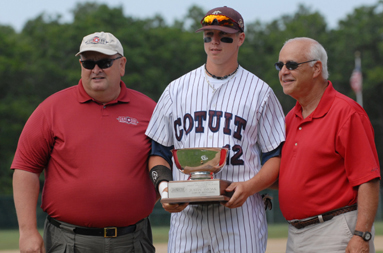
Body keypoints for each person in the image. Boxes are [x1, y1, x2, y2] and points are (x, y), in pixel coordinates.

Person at [145, 6, 285, 253]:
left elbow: (276, 157)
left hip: (240, 217)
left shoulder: (260, 92)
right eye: (209, 35)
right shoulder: (175, 90)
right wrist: (165, 189)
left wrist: (250, 187)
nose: (215, 42)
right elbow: (159, 151)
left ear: (241, 38)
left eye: (224, 36)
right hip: (187, 219)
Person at [11, 31, 157, 253]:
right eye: (88, 63)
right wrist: (28, 232)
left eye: (105, 62)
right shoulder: (51, 109)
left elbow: (166, 162)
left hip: (133, 240)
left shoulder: (150, 110)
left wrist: (136, 204)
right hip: (69, 241)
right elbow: (25, 170)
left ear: (122, 65)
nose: (96, 69)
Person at [276, 37, 381, 253]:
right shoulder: (290, 118)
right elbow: (288, 178)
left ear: (316, 69)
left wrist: (362, 235)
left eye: (292, 65)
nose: (283, 71)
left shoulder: (347, 113)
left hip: (335, 231)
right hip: (295, 234)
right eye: (280, 65)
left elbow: (368, 179)